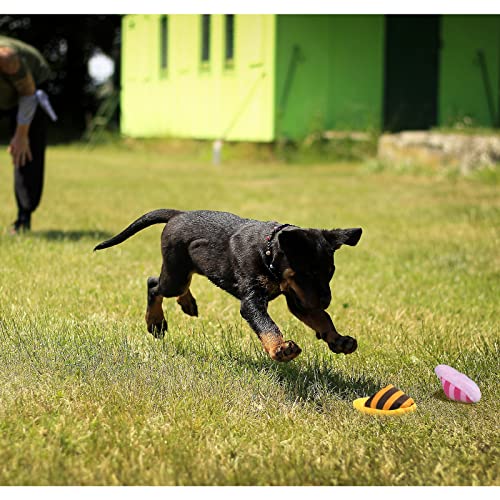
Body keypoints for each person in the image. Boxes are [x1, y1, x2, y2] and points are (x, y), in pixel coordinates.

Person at [0, 35, 56, 234]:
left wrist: (21, 135)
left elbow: (28, 92)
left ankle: (23, 219)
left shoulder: (5, 57)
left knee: (24, 152)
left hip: (31, 90)